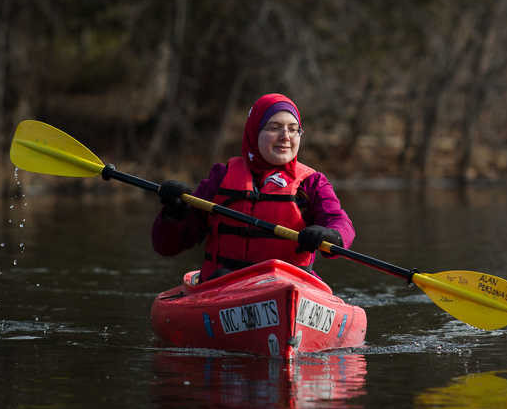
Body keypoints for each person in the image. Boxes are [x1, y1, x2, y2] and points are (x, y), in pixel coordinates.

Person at [151, 93, 354, 281]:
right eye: (274, 128)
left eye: (293, 129)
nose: (286, 137)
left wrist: (330, 235)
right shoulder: (221, 178)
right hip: (224, 286)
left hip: (290, 285)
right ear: (254, 132)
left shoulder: (312, 183)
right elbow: (166, 245)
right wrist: (173, 214)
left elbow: (340, 223)